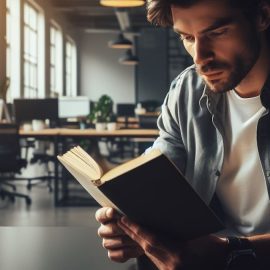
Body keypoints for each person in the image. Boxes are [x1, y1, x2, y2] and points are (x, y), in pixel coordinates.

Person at [96, 0, 270, 269]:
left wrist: (230, 252)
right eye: (187, 37)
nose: (200, 57)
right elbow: (160, 172)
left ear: (262, 15)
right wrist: (130, 225)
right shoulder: (186, 92)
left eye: (217, 32)